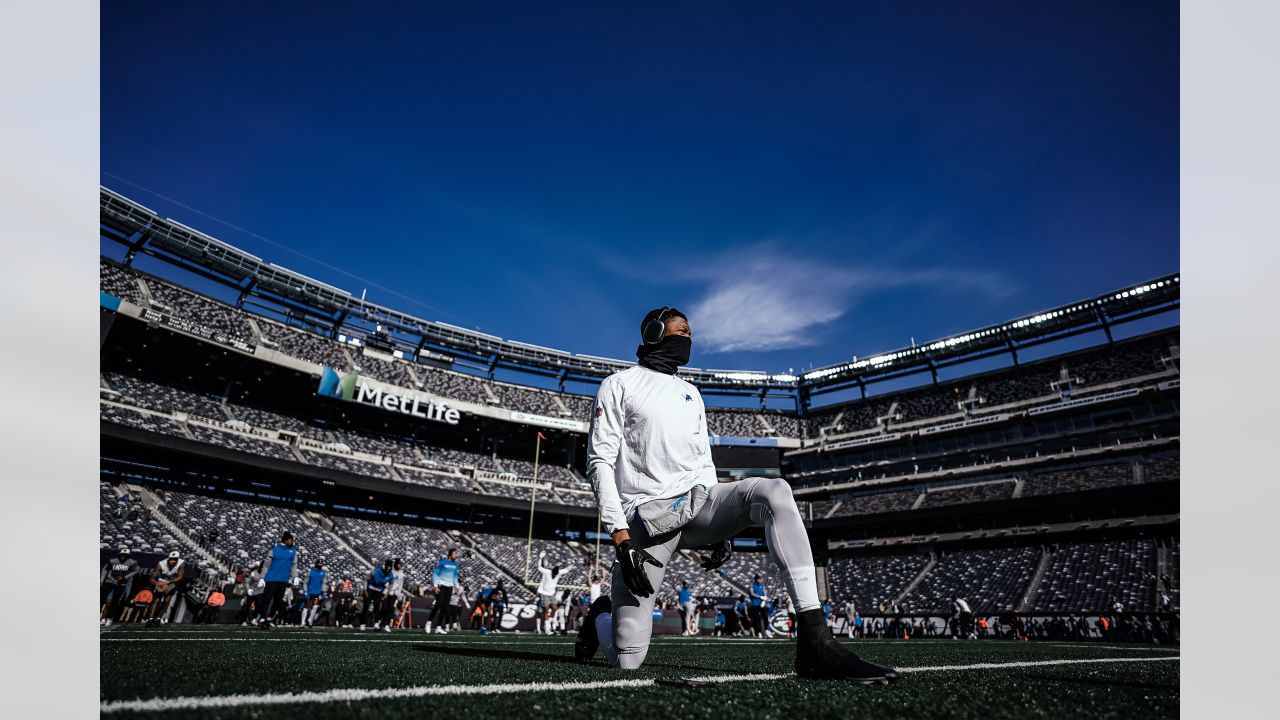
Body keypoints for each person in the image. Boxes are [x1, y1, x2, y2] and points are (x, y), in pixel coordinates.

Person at [574, 307, 897, 682]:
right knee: (627, 658)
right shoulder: (620, 384)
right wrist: (620, 536)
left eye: (690, 334)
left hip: (697, 508)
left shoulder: (691, 393)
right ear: (655, 332)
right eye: (681, 331)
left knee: (775, 491)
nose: (688, 338)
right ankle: (600, 616)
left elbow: (703, 464)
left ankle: (815, 639)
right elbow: (599, 463)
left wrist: (723, 529)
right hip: (647, 521)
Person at [258, 532, 298, 629]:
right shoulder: (274, 550)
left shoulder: (293, 551)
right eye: (290, 539)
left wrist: (295, 576)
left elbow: (294, 565)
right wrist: (262, 577)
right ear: (285, 540)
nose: (292, 541)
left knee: (278, 602)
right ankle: (262, 619)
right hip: (271, 579)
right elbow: (266, 564)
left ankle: (269, 618)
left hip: (283, 580)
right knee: (266, 600)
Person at [100, 547, 140, 625]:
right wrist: (102, 580)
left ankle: (109, 618)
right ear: (119, 554)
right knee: (102, 598)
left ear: (128, 556)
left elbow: (137, 570)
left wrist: (125, 577)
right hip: (110, 580)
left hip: (122, 583)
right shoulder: (113, 561)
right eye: (122, 554)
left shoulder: (132, 562)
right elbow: (105, 569)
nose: (123, 556)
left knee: (115, 601)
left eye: (125, 555)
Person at [146, 551, 187, 626]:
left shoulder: (181, 563)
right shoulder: (161, 564)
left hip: (171, 582)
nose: (173, 561)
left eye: (175, 559)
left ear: (177, 559)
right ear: (168, 559)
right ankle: (150, 619)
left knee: (166, 601)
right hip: (161, 581)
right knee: (156, 600)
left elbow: (180, 578)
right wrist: (157, 584)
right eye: (171, 559)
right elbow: (151, 579)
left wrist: (168, 583)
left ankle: (158, 619)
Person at [426, 548, 460, 634]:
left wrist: (457, 585)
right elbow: (435, 574)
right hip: (441, 586)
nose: (456, 555)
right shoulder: (443, 562)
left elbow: (455, 575)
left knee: (445, 607)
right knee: (439, 603)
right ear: (450, 554)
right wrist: (435, 586)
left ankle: (439, 627)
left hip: (450, 587)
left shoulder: (456, 564)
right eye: (455, 553)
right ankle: (429, 622)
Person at [361, 559, 392, 630]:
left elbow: (390, 583)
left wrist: (387, 592)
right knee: (366, 606)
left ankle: (376, 623)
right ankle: (363, 623)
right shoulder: (374, 572)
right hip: (370, 589)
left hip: (378, 591)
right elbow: (366, 579)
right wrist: (365, 590)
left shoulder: (389, 575)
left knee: (377, 607)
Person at [535, 551, 561, 636]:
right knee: (541, 611)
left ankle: (547, 626)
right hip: (542, 593)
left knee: (553, 609)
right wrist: (540, 558)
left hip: (549, 594)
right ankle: (541, 629)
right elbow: (539, 567)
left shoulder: (549, 572)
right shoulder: (545, 572)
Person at [302, 559, 328, 627]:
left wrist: (323, 592)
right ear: (316, 564)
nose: (320, 565)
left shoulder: (323, 572)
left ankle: (310, 621)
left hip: (317, 593)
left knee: (315, 607)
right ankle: (302, 623)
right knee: (306, 607)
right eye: (319, 563)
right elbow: (305, 582)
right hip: (309, 592)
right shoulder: (310, 571)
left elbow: (324, 583)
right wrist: (305, 591)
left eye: (321, 563)